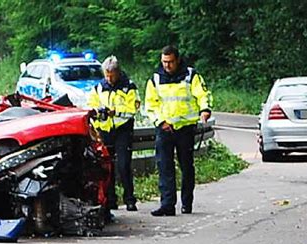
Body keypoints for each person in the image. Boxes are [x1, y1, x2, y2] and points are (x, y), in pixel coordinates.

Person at [145, 45, 213, 216]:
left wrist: (205, 109)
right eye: (164, 62)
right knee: (165, 167)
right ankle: (167, 204)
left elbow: (203, 94)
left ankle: (186, 203)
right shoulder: (155, 79)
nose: (167, 65)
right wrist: (161, 122)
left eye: (170, 62)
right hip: (165, 129)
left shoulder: (190, 76)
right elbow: (150, 105)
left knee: (186, 167)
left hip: (185, 128)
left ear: (178, 60)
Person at [88, 55, 139, 212]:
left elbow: (133, 110)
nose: (109, 78)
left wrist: (115, 112)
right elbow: (91, 107)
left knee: (123, 165)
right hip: (105, 131)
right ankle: (110, 200)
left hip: (123, 130)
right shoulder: (99, 88)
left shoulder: (129, 87)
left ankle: (130, 199)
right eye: (106, 75)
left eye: (111, 75)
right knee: (106, 167)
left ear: (118, 72)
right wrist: (98, 117)